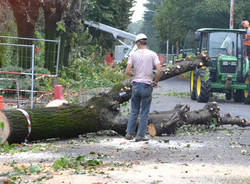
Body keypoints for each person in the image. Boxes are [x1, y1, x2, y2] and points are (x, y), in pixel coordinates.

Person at [125, 33, 162, 142]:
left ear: (138, 43)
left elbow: (127, 71)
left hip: (136, 85)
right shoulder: (152, 54)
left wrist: (134, 75)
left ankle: (129, 133)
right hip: (147, 85)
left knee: (134, 111)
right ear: (145, 42)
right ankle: (140, 135)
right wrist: (155, 81)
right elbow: (160, 70)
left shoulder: (133, 55)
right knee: (144, 111)